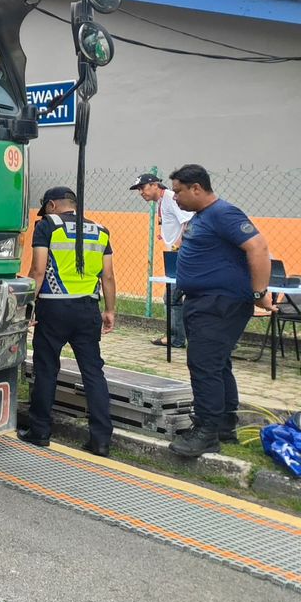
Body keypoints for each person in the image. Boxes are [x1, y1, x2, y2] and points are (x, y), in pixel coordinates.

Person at [168, 164, 274, 458]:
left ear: (196, 188)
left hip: (219, 303)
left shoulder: (223, 213)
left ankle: (207, 432)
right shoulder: (203, 217)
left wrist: (259, 293)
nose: (174, 198)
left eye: (178, 191)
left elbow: (258, 248)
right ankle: (225, 424)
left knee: (204, 365)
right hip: (205, 302)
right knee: (216, 363)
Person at [20, 186, 117, 457]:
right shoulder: (100, 230)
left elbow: (38, 270)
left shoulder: (47, 226)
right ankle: (100, 440)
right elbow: (107, 276)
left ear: (51, 205)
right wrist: (110, 310)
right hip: (88, 308)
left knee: (47, 368)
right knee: (93, 372)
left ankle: (39, 432)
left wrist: (26, 307)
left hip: (53, 308)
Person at [130, 173, 193, 347]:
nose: (141, 192)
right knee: (178, 297)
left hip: (183, 255)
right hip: (178, 255)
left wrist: (177, 246)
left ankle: (177, 337)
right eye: (138, 189)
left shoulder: (172, 198)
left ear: (155, 185)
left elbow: (188, 223)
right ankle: (180, 337)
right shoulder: (161, 201)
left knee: (172, 296)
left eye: (142, 188)